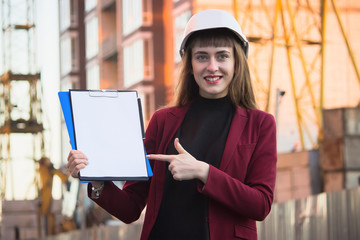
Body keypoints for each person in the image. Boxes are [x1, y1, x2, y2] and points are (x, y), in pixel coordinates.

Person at [67, 9, 277, 240]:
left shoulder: (260, 125)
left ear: (237, 61)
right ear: (189, 64)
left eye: (222, 56)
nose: (212, 66)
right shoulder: (162, 122)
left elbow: (260, 205)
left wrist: (202, 171)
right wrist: (95, 178)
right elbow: (130, 208)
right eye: (201, 57)